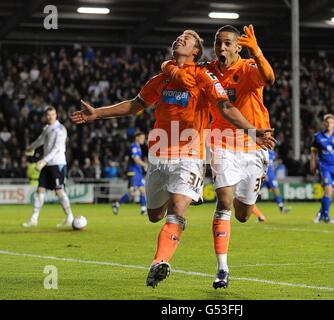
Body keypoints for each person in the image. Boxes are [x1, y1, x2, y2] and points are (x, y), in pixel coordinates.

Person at [71, 29, 275, 288]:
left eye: (186, 40)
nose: (179, 40)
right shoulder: (161, 79)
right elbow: (136, 105)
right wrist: (97, 114)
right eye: (178, 38)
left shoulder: (204, 77)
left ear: (195, 52)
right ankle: (176, 218)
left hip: (190, 154)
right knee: (155, 215)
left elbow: (225, 105)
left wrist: (251, 130)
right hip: (159, 153)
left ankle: (160, 262)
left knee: (180, 207)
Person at [162, 24, 276, 289]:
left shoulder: (248, 68)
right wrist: (169, 65)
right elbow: (177, 65)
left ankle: (233, 202)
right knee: (224, 200)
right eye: (218, 43)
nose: (221, 48)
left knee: (243, 214)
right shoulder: (208, 70)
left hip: (255, 144)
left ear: (238, 46)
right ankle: (222, 268)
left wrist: (257, 51)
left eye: (227, 43)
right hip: (222, 142)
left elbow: (269, 79)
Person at [22, 106, 75, 228]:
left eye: (52, 114)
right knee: (40, 189)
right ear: (45, 116)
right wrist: (31, 147)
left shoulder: (60, 129)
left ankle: (69, 217)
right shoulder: (47, 128)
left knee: (59, 191)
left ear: (56, 115)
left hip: (57, 164)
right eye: (48, 115)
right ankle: (34, 219)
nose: (50, 117)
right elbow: (41, 140)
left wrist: (43, 161)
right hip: (46, 164)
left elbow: (57, 149)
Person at [310, 114, 334, 224]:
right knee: (328, 190)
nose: (329, 125)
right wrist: (312, 165)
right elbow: (313, 153)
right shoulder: (318, 137)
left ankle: (322, 215)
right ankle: (326, 216)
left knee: (331, 193)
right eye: (327, 122)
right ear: (324, 124)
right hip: (324, 167)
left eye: (331, 123)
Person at [112, 132, 148, 215]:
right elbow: (135, 159)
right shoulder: (134, 146)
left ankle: (143, 209)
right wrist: (144, 164)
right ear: (137, 138)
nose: (143, 140)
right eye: (142, 138)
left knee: (143, 190)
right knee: (132, 192)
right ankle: (116, 204)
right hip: (133, 172)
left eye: (143, 138)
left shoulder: (138, 147)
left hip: (138, 172)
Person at [253, 150, 291, 222]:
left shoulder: (273, 153)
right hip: (262, 175)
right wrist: (263, 173)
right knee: (254, 194)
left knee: (276, 189)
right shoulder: (261, 151)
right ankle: (256, 212)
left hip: (271, 176)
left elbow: (272, 164)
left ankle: (281, 207)